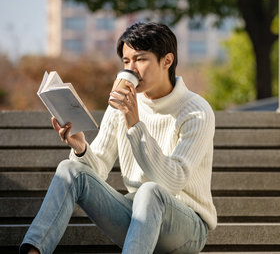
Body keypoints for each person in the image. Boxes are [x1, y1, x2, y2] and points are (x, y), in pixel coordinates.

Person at [20, 22, 217, 254]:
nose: (131, 69)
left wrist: (135, 125)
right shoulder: (119, 106)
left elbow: (173, 182)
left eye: (140, 59)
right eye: (126, 62)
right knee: (70, 169)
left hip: (186, 227)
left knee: (150, 191)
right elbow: (99, 170)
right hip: (137, 219)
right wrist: (82, 148)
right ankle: (34, 252)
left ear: (167, 61)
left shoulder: (196, 111)